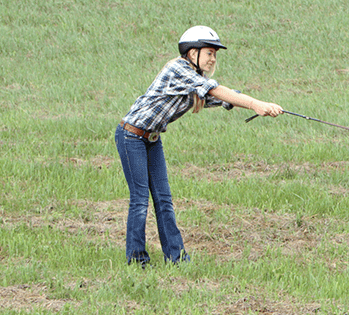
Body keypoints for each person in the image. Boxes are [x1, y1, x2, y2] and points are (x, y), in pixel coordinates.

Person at [115, 26, 284, 266]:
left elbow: (221, 96)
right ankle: (136, 261)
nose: (213, 58)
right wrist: (255, 103)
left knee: (164, 200)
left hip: (152, 138)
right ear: (191, 52)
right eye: (209, 52)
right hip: (131, 136)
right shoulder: (178, 70)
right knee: (140, 200)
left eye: (215, 54)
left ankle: (177, 259)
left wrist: (264, 107)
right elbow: (215, 90)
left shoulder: (196, 80)